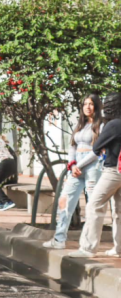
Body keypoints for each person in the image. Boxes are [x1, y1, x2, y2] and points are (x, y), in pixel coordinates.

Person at [44, 95, 103, 249]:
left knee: (92, 205)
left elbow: (97, 150)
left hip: (93, 168)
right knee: (64, 201)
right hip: (76, 169)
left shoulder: (101, 126)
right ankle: (59, 239)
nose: (88, 107)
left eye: (91, 104)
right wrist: (72, 165)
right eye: (85, 104)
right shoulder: (80, 125)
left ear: (97, 106)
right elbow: (72, 146)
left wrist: (80, 165)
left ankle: (88, 243)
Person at [70, 93, 121, 258]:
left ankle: (88, 248)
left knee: (94, 206)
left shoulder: (113, 124)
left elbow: (97, 146)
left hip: (113, 171)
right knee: (119, 211)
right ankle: (119, 248)